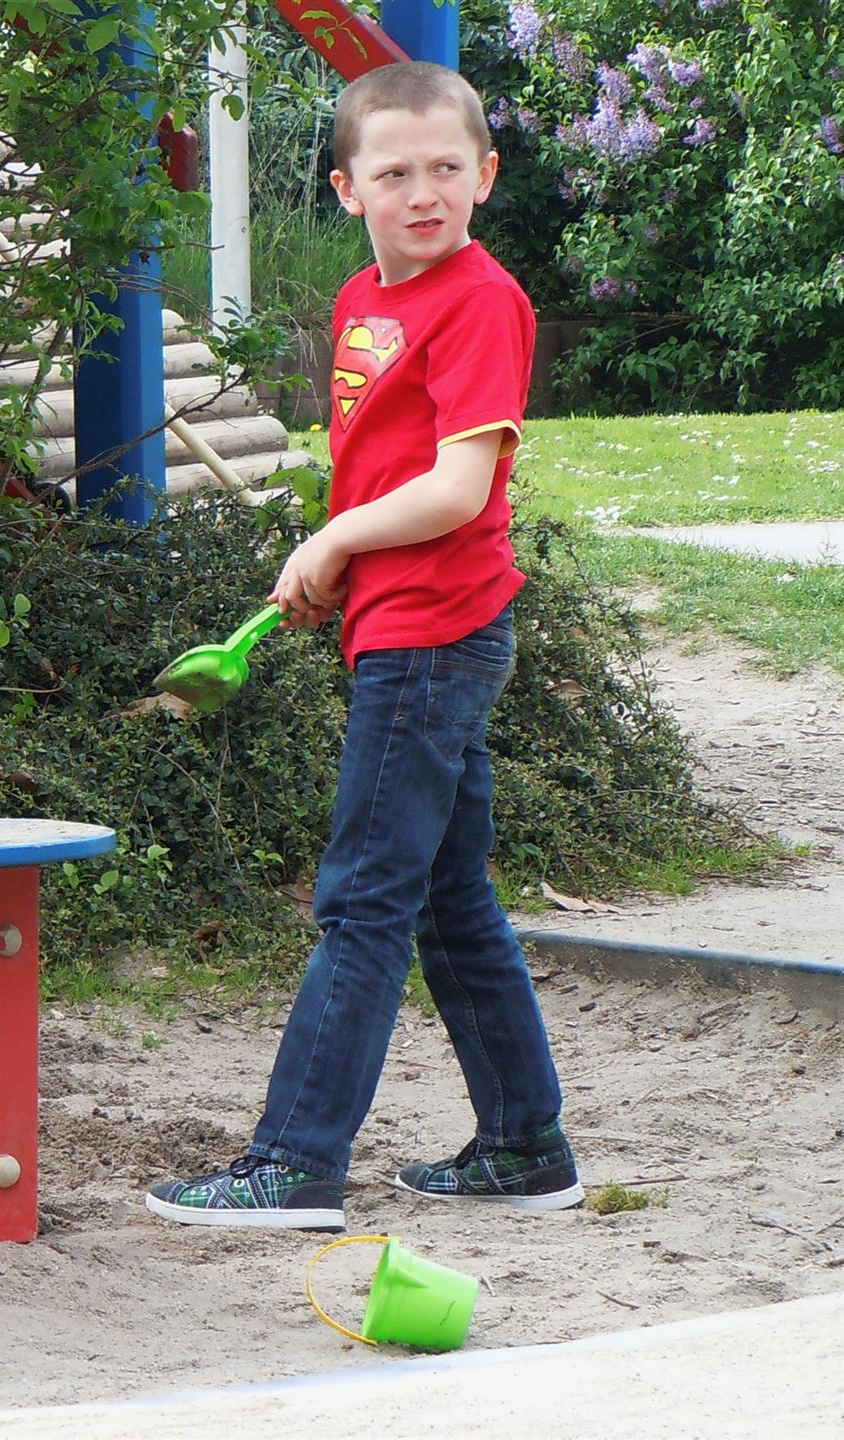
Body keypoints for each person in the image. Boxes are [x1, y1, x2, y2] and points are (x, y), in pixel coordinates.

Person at [146, 61, 582, 1230]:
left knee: (365, 899)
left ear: (485, 176)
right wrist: (341, 567)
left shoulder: (481, 302)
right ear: (347, 189)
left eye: (446, 167)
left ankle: (294, 1163)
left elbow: (457, 489)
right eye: (394, 173)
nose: (422, 192)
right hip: (399, 622)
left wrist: (336, 538)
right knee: (446, 898)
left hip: (439, 633)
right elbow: (386, 471)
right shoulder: (359, 301)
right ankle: (526, 1147)